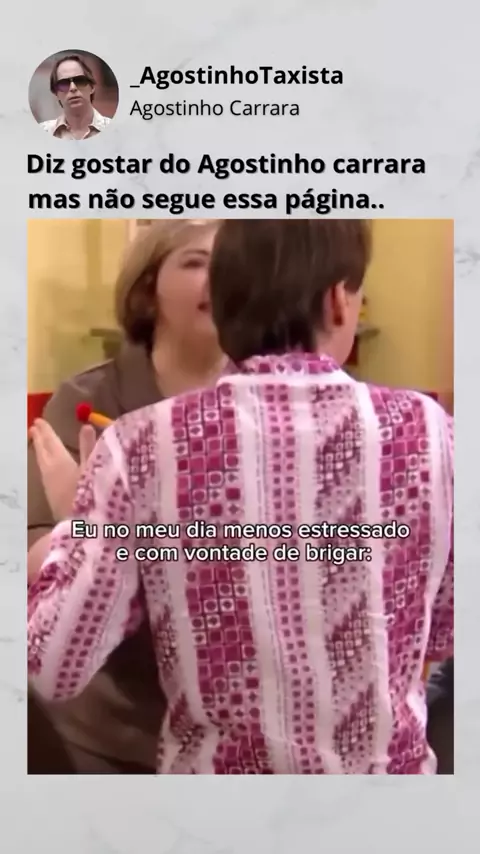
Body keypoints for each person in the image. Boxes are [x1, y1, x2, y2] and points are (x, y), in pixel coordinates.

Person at [28, 219, 453, 774]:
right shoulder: (432, 431)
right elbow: (445, 628)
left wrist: (80, 526)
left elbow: (54, 665)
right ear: (338, 301)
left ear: (224, 303)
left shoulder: (142, 445)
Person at [27, 219, 226, 773]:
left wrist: (110, 527)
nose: (221, 278)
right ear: (147, 290)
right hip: (107, 730)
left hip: (230, 731)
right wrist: (88, 524)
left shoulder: (266, 402)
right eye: (196, 262)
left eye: (233, 263)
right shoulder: (86, 400)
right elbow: (29, 556)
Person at [40, 54, 111, 140]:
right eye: (64, 84)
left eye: (80, 81)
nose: (73, 88)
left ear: (92, 87)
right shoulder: (40, 133)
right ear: (56, 93)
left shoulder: (115, 130)